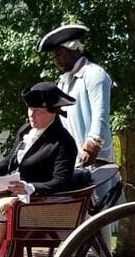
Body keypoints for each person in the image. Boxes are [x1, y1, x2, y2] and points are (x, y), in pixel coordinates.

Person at [0, 82, 78, 257]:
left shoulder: (63, 143)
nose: (32, 114)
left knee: (2, 206)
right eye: (30, 108)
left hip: (42, 204)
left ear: (53, 113)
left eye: (38, 111)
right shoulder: (26, 130)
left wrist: (30, 187)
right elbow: (10, 160)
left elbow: (61, 181)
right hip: (17, 200)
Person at [37, 23, 115, 193]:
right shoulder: (64, 82)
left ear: (74, 48)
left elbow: (100, 114)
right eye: (52, 57)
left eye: (59, 53)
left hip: (96, 160)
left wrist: (92, 144)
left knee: (104, 208)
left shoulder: (94, 74)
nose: (56, 60)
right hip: (73, 159)